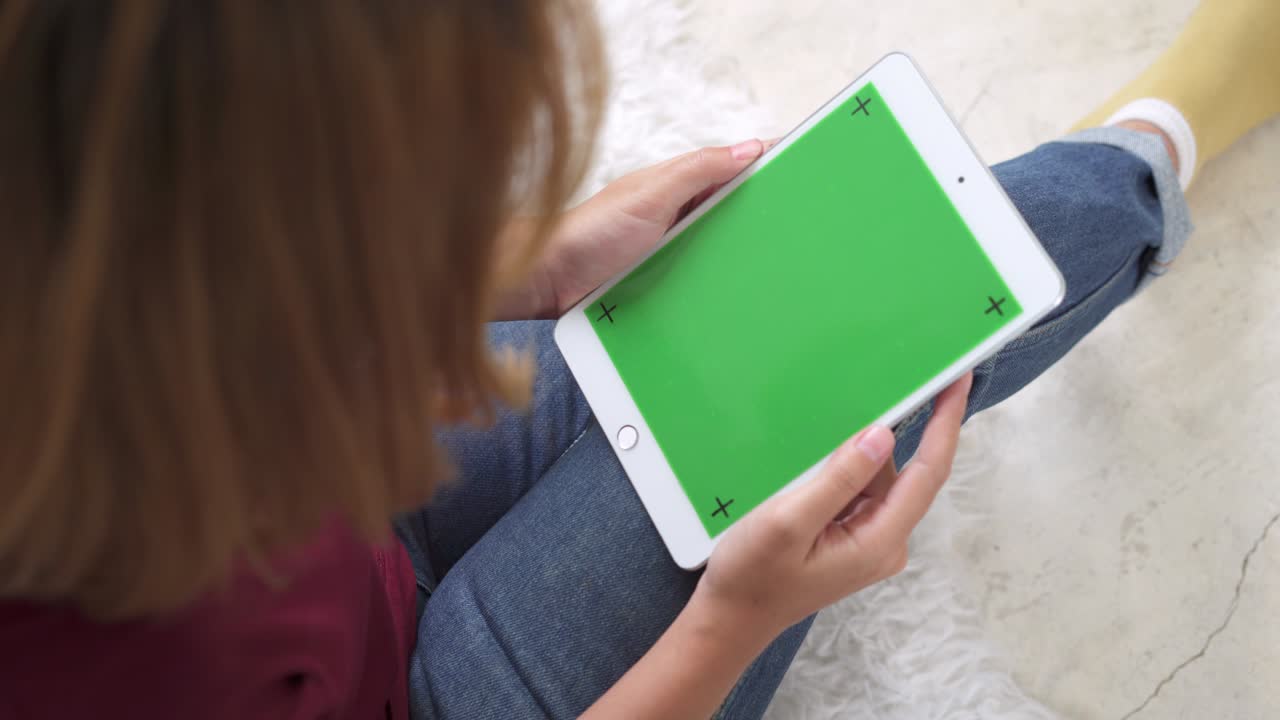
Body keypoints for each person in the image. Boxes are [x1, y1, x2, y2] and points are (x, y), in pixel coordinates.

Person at [0, 0, 1274, 718]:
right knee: (864, 367)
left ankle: (1127, 164)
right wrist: (735, 623)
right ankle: (1147, 153)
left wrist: (529, 266)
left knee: (810, 303)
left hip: (334, 516)